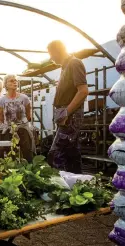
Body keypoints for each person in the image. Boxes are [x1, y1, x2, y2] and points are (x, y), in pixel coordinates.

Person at [47, 40, 89, 174]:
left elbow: (83, 91)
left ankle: (59, 190)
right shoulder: (65, 67)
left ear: (56, 51)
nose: (50, 57)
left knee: (55, 155)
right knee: (71, 154)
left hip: (71, 116)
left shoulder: (74, 63)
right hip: (66, 115)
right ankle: (77, 186)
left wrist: (66, 113)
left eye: (50, 54)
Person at [0, 74, 35, 162]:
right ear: (6, 84)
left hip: (23, 129)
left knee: (27, 154)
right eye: (11, 81)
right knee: (10, 155)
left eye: (15, 80)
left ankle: (29, 172)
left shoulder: (24, 98)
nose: (15, 82)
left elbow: (29, 115)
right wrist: (8, 124)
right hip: (8, 130)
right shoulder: (2, 100)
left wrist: (20, 124)